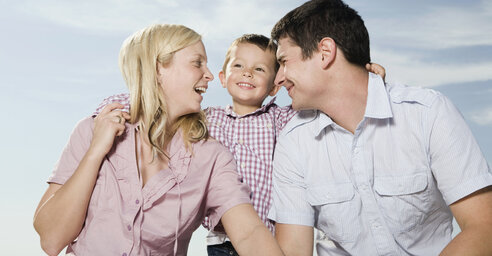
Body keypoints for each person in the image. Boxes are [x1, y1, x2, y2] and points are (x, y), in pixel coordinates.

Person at [94, 33, 386, 256]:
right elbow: (152, 104)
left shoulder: (281, 119)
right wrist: (111, 110)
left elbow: (326, 105)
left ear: (275, 86)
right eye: (238, 65)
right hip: (221, 240)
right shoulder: (205, 120)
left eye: (260, 69)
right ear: (222, 77)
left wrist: (364, 80)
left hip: (270, 237)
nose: (247, 73)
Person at [33, 24, 286, 256]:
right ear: (157, 68)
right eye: (197, 63)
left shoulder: (212, 157)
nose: (209, 75)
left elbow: (249, 233)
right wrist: (95, 153)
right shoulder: (91, 130)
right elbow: (52, 240)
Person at [268, 0, 492, 255]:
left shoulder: (428, 113)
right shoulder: (292, 142)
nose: (279, 78)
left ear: (325, 53)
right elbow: (294, 251)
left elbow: (484, 227)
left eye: (284, 61)